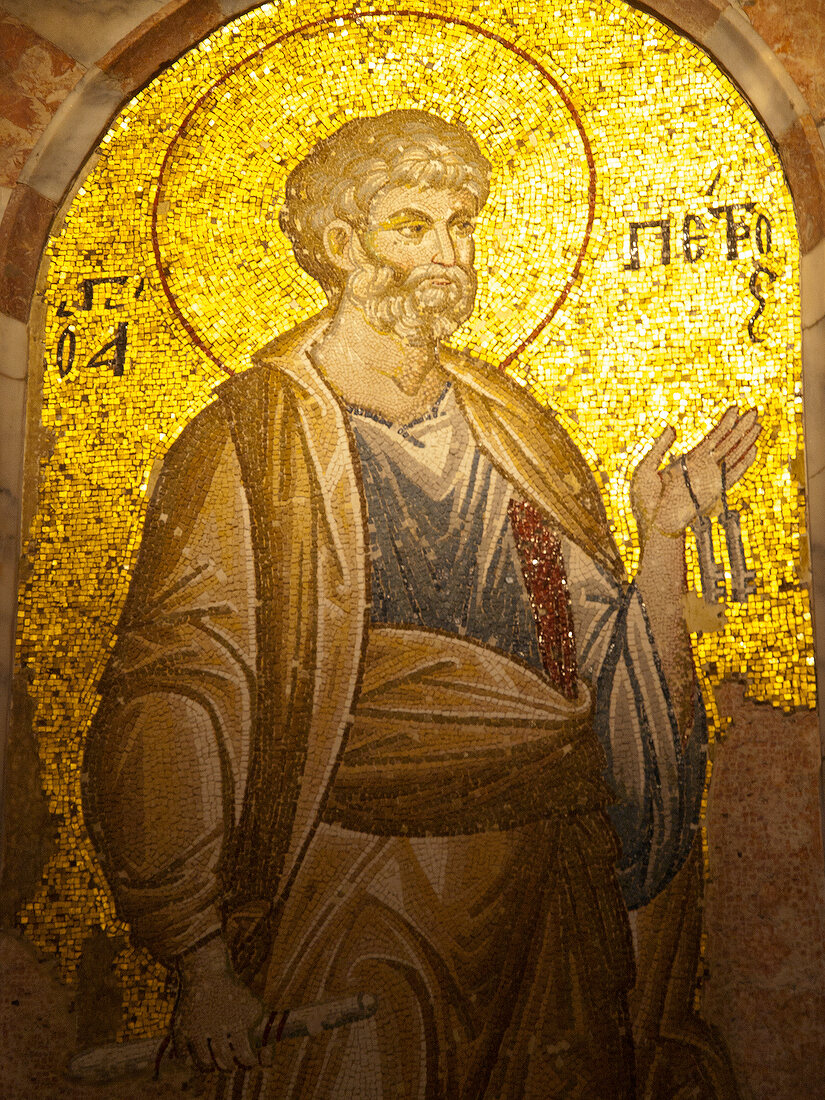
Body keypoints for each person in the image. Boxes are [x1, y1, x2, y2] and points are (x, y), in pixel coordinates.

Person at [82, 109, 758, 1098]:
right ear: (340, 246)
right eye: (414, 223)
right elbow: (178, 697)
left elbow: (602, 674)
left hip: (548, 894)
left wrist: (660, 538)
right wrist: (200, 960)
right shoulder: (251, 445)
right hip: (365, 898)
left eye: (462, 222)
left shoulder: (511, 427)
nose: (447, 253)